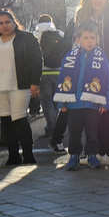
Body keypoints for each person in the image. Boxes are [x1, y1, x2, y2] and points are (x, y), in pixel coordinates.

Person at [65, 0, 109, 166]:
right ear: (88, 0)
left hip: (108, 71)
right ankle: (96, 152)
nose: (98, 0)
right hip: (87, 71)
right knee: (92, 113)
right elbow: (73, 44)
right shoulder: (80, 18)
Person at [0, 9, 42, 165]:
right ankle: (13, 156)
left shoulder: (26, 38)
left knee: (19, 119)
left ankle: (29, 156)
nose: (4, 26)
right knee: (6, 121)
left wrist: (35, 82)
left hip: (19, 84)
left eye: (7, 22)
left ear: (14, 22)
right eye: (0, 23)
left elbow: (36, 60)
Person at [54, 22, 109, 170]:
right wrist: (62, 103)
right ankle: (74, 156)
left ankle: (91, 156)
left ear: (97, 40)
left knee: (92, 133)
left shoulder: (102, 58)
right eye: (86, 38)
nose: (89, 41)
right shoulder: (70, 57)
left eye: (92, 38)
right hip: (74, 105)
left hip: (92, 104)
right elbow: (62, 79)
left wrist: (105, 102)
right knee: (74, 133)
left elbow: (107, 81)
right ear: (78, 39)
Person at [35, 14, 67, 153]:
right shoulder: (60, 33)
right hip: (59, 72)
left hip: (43, 73)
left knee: (46, 101)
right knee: (56, 101)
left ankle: (52, 126)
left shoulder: (35, 35)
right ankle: (53, 127)